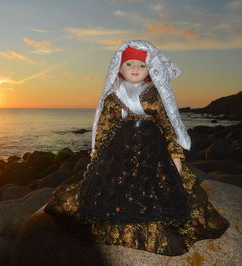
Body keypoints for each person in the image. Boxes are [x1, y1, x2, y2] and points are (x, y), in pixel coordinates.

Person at [43, 40, 229, 256]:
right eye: (130, 64)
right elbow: (104, 126)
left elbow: (166, 125)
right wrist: (97, 152)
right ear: (119, 67)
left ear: (149, 70)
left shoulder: (154, 93)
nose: (135, 69)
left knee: (159, 189)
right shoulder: (113, 97)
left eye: (141, 66)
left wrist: (176, 156)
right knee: (116, 188)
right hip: (120, 150)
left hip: (153, 150)